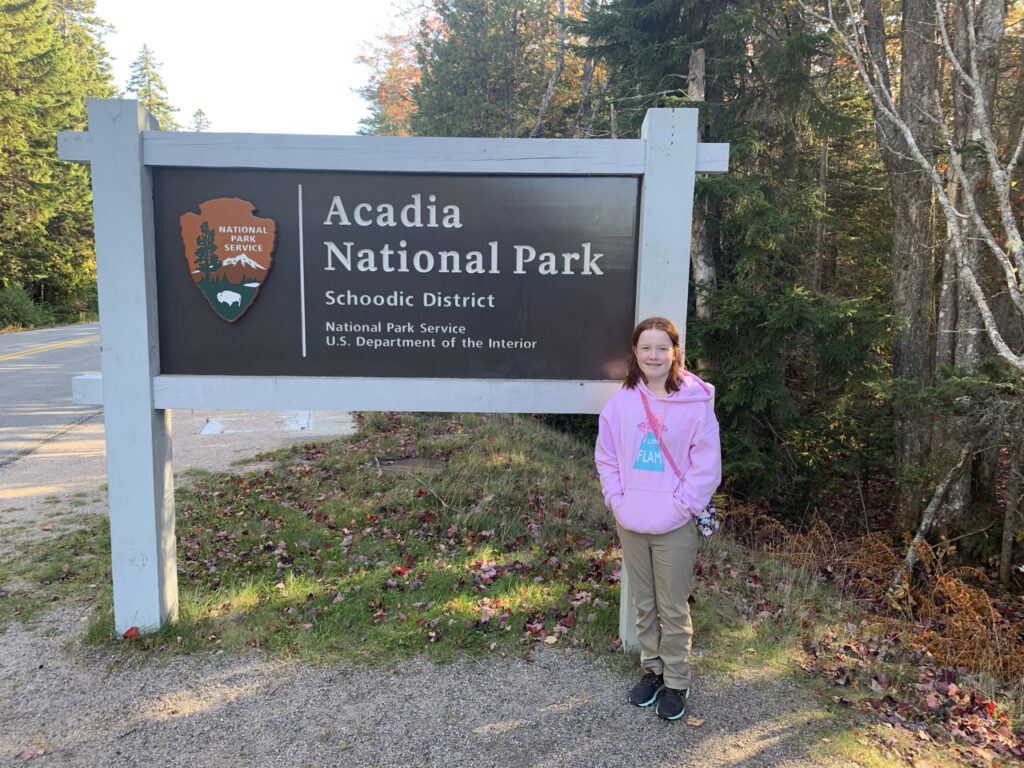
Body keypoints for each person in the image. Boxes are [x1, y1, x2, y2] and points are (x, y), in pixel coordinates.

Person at [594, 316, 721, 721]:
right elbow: (607, 457)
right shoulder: (621, 403)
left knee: (672, 606)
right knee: (644, 604)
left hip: (675, 525)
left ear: (675, 352)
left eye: (661, 348)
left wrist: (680, 506)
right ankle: (653, 670)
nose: (654, 355)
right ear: (635, 352)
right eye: (646, 348)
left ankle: (678, 682)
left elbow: (706, 466)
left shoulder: (697, 403)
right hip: (631, 522)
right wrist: (617, 500)